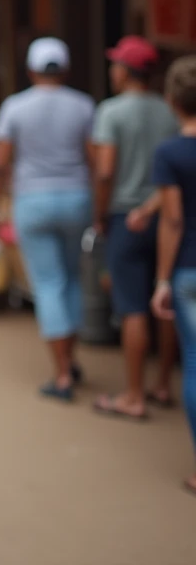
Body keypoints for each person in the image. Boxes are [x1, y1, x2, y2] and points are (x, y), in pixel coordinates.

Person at [0, 38, 94, 402]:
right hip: (77, 199)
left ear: (30, 70)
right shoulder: (84, 105)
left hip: (32, 201)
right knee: (72, 278)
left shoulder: (15, 106)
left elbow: (0, 164)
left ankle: (62, 374)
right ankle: (70, 359)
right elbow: (95, 159)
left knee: (48, 283)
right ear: (65, 69)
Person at [90, 36, 179, 421]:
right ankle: (161, 383)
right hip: (168, 215)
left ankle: (134, 394)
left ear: (125, 72)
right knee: (165, 301)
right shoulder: (171, 111)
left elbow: (105, 170)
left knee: (132, 306)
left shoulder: (111, 112)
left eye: (115, 65)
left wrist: (99, 213)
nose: (112, 71)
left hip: (126, 215)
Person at [149, 55, 196, 496]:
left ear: (172, 101)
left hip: (188, 271)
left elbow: (173, 221)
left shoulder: (170, 153)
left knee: (195, 364)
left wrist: (162, 280)